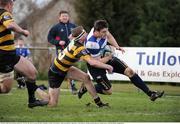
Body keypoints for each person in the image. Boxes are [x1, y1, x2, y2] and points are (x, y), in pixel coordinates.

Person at [78, 19, 164, 101]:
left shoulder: (101, 30)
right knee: (108, 91)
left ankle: (151, 94)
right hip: (95, 65)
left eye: (106, 31)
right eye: (103, 32)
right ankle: (87, 87)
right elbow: (96, 62)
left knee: (130, 71)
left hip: (106, 57)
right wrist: (108, 58)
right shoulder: (92, 44)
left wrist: (117, 46)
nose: (105, 33)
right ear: (96, 31)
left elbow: (109, 35)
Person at [48, 26, 113, 107]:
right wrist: (108, 66)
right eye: (85, 33)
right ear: (81, 36)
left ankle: (99, 103)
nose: (87, 34)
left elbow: (72, 36)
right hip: (56, 72)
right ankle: (35, 89)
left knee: (86, 78)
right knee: (52, 104)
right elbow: (92, 62)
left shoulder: (77, 41)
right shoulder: (79, 48)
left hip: (66, 68)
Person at [0, 0, 49, 108]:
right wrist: (23, 31)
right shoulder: (3, 13)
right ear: (10, 5)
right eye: (13, 5)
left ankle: (32, 101)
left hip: (10, 54)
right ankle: (32, 100)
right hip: (4, 55)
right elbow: (10, 25)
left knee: (31, 73)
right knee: (5, 88)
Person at [47, 10, 77, 94]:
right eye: (63, 16)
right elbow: (49, 38)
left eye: (66, 16)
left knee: (69, 67)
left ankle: (72, 85)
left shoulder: (73, 26)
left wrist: (74, 39)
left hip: (72, 50)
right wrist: (58, 42)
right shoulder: (56, 27)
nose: (65, 17)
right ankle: (54, 83)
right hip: (61, 51)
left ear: (68, 17)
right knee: (61, 67)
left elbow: (79, 35)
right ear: (59, 17)